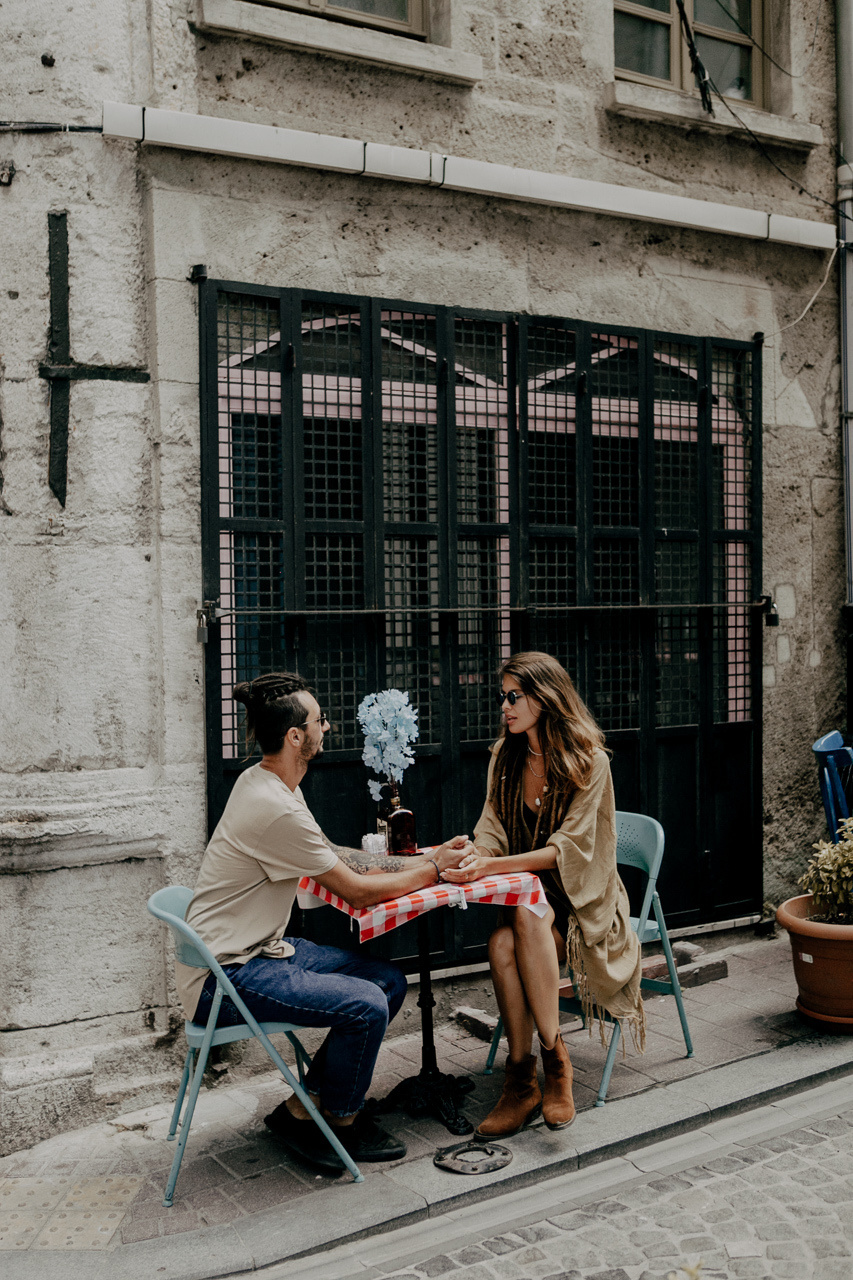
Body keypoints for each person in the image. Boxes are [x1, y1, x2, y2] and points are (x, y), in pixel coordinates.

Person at [176, 672, 473, 1174]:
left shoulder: (270, 782)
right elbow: (354, 888)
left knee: (387, 979)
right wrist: (434, 871)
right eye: (319, 721)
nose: (327, 727)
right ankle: (338, 1118)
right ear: (296, 736)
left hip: (254, 952)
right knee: (365, 1003)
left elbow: (339, 858)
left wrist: (428, 857)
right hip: (224, 978)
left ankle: (302, 1109)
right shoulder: (273, 806)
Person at [442, 651, 645, 1137]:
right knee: (504, 938)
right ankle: (530, 1074)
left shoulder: (589, 762)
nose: (504, 707)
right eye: (502, 697)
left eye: (514, 697)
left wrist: (491, 865)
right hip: (531, 908)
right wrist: (474, 854)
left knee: (525, 917)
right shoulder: (504, 756)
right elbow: (491, 826)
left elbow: (567, 850)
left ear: (545, 697)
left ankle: (544, 1069)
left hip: (581, 905)